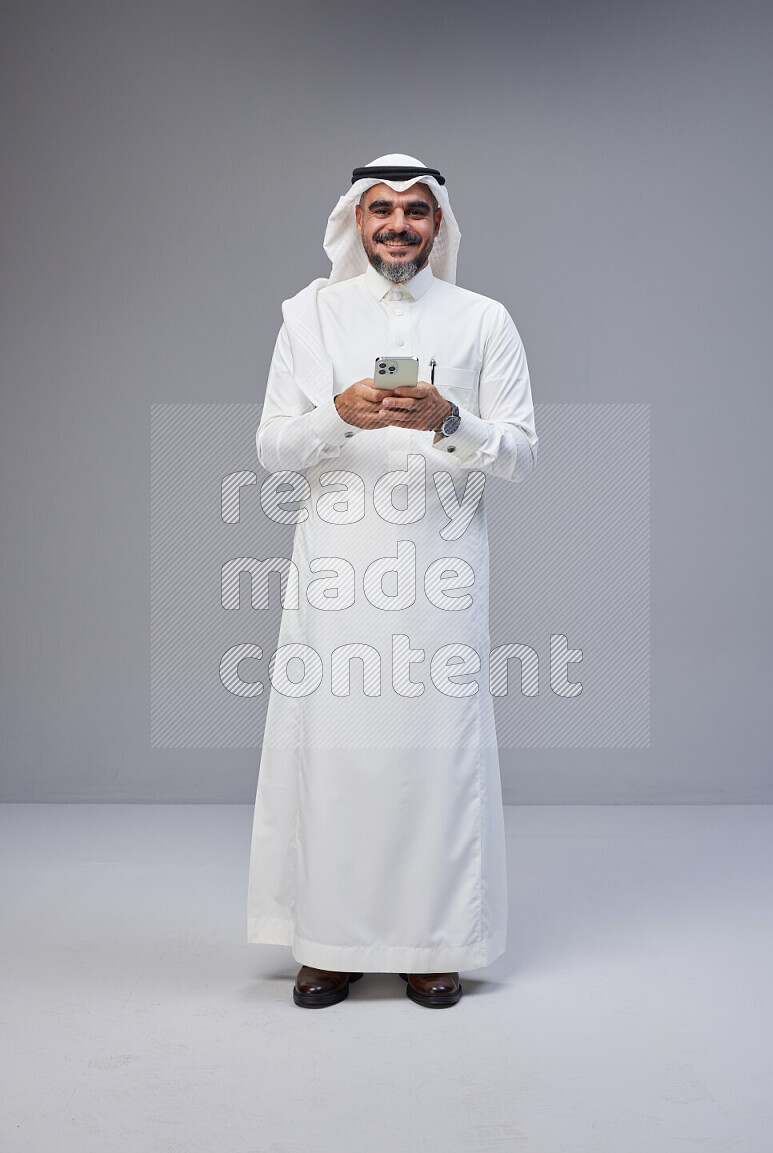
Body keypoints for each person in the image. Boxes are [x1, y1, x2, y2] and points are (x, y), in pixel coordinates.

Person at [246, 153, 539, 1009]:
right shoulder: (309, 318)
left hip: (441, 576)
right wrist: (336, 414)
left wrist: (452, 419)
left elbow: (522, 453)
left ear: (439, 225)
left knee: (434, 757)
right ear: (355, 220)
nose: (399, 225)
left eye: (416, 210)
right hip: (336, 575)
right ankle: (328, 943)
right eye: (382, 209)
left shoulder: (485, 320)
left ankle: (432, 942)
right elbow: (269, 447)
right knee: (334, 755)